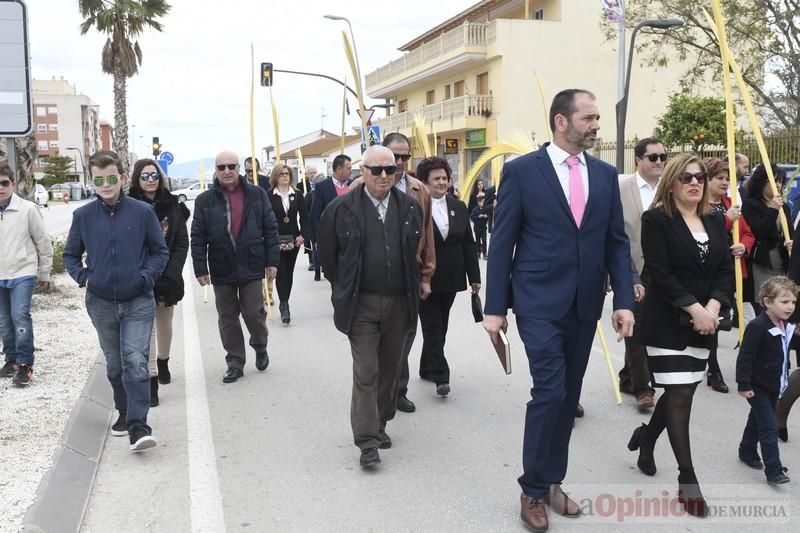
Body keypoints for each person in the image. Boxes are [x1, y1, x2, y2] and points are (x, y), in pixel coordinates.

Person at [483, 89, 635, 532]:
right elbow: (502, 242)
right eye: (588, 118)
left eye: (597, 118)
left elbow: (616, 243)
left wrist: (623, 300)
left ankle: (552, 480)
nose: (595, 126)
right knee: (549, 391)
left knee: (567, 397)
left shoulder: (606, 176)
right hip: (536, 301)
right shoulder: (522, 172)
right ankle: (532, 489)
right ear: (560, 122)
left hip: (584, 302)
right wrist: (495, 309)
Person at [628, 153, 733, 518]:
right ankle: (688, 478)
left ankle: (646, 438)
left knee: (680, 392)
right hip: (668, 320)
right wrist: (696, 309)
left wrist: (714, 309)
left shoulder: (716, 221)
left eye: (700, 177)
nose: (695, 183)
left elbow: (724, 271)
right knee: (680, 394)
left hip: (706, 321)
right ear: (671, 182)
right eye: (686, 177)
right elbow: (659, 271)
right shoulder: (656, 219)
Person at [317, 145, 422, 468]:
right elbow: (329, 257)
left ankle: (380, 422)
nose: (383, 176)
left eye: (389, 170)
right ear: (362, 172)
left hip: (399, 303)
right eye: (375, 170)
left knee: (390, 371)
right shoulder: (341, 209)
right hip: (360, 304)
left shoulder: (408, 207)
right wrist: (345, 289)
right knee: (366, 371)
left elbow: (414, 252)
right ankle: (367, 442)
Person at [64, 150, 169, 451]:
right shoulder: (82, 216)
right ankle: (123, 411)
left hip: (137, 300)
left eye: (112, 178)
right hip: (100, 302)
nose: (106, 184)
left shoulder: (141, 212)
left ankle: (139, 426)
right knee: (114, 364)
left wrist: (144, 277)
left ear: (122, 177)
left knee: (136, 361)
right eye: (99, 180)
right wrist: (85, 278)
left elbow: (159, 252)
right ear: (92, 181)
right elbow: (70, 256)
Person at [190, 150, 279, 383]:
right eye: (222, 167)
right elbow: (197, 237)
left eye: (231, 166)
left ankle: (260, 346)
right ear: (216, 171)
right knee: (227, 317)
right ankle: (235, 362)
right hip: (222, 266)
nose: (227, 171)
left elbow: (270, 229)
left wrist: (272, 261)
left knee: (253, 312)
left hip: (251, 263)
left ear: (239, 168)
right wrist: (200, 268)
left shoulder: (257, 195)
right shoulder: (204, 201)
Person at [415, 156, 480, 397]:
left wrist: (474, 277)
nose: (442, 182)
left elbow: (468, 244)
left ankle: (425, 366)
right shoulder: (416, 206)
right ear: (424, 182)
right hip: (426, 279)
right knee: (432, 326)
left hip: (452, 278)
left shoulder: (458, 207)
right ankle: (441, 376)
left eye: (445, 178)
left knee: (441, 326)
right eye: (436, 179)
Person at [128, 159, 190, 405]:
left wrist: (173, 272)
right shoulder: (128, 205)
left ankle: (163, 361)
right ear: (136, 179)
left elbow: (181, 242)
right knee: (146, 328)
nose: (150, 180)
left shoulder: (173, 205)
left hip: (168, 275)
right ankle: (151, 376)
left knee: (165, 322)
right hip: (140, 276)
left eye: (154, 175)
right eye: (145, 176)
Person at [382, 132, 436, 414]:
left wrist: (426, 275)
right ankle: (382, 390)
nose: (401, 162)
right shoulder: (362, 186)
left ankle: (398, 389)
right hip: (376, 274)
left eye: (405, 156)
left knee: (407, 333)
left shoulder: (419, 190)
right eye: (395, 156)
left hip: (410, 273)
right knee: (381, 336)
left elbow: (427, 235)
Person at [618, 137, 666, 410]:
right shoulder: (621, 188)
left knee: (650, 326)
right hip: (631, 267)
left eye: (663, 156)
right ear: (638, 159)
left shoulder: (670, 187)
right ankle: (642, 388)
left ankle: (627, 376)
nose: (659, 161)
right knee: (634, 328)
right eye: (653, 157)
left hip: (661, 269)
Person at [704, 157, 756, 393]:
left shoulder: (730, 203)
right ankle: (712, 369)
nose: (725, 182)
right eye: (720, 178)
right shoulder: (699, 204)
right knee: (711, 319)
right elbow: (703, 231)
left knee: (725, 319)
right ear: (708, 179)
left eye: (727, 178)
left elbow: (747, 233)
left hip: (729, 269)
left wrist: (743, 246)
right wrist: (726, 221)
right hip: (705, 270)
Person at [736, 275, 794, 485]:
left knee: (757, 420)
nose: (790, 307)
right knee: (769, 426)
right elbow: (745, 356)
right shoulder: (758, 326)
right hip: (757, 385)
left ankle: (746, 450)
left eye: (793, 302)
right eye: (784, 302)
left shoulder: (785, 325)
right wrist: (743, 383)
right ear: (768, 302)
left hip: (774, 385)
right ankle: (774, 470)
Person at [0, 162, 53, 387]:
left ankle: (25, 364)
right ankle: (11, 360)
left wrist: (45, 273)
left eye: (4, 182)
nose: (0, 187)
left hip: (23, 271)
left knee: (20, 316)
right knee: (3, 321)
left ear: (12, 183)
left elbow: (43, 242)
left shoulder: (28, 209)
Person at [742, 164, 791, 313]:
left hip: (781, 264)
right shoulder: (751, 205)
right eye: (774, 181)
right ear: (762, 182)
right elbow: (758, 232)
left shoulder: (785, 207)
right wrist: (772, 210)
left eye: (781, 181)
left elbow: (790, 232)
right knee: (764, 307)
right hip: (761, 265)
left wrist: (791, 243)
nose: (778, 185)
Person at [266, 163, 308, 324]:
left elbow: (305, 217)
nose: (285, 176)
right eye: (282, 174)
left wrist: (303, 235)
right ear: (275, 176)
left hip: (293, 240)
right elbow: (264, 218)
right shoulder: (269, 195)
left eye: (287, 174)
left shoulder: (297, 194)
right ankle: (284, 305)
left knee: (288, 272)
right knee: (281, 271)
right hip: (275, 240)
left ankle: (285, 299)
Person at [310, 154, 352, 281]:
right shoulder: (322, 187)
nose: (351, 171)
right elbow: (315, 213)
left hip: (352, 235)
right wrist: (318, 237)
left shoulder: (353, 185)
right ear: (338, 169)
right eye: (348, 168)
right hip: (331, 235)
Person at [470, 195, 490, 259]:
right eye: (481, 202)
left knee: (484, 240)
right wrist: (478, 216)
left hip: (483, 227)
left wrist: (486, 216)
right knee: (477, 241)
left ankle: (484, 253)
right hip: (477, 228)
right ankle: (478, 253)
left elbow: (488, 216)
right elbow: (472, 217)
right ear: (478, 202)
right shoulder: (475, 210)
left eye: (483, 202)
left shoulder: (485, 208)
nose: (482, 203)